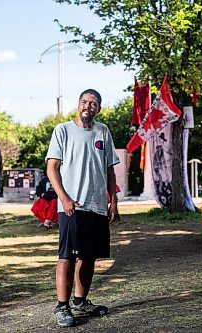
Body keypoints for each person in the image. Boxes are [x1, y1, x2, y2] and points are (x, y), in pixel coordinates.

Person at [46, 89, 120, 327]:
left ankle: (80, 301)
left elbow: (110, 168)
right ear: (78, 104)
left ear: (98, 108)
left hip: (97, 205)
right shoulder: (63, 130)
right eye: (84, 101)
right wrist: (64, 198)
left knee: (89, 257)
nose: (88, 106)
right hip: (72, 205)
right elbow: (52, 168)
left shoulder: (103, 131)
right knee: (66, 257)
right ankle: (62, 306)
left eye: (94, 103)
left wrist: (113, 200)